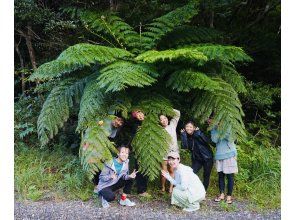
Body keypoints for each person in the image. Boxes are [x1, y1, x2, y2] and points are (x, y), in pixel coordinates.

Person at [208, 118, 238, 204]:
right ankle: (221, 195)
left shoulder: (229, 124)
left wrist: (220, 127)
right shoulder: (213, 128)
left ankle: (229, 196)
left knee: (230, 176)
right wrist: (214, 127)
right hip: (219, 155)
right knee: (221, 176)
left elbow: (230, 137)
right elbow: (214, 140)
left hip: (229, 154)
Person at [93, 116, 125, 192]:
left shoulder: (115, 128)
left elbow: (110, 137)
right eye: (116, 122)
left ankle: (104, 184)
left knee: (104, 166)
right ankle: (96, 185)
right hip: (95, 144)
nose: (116, 124)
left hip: (104, 146)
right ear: (115, 119)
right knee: (96, 164)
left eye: (118, 125)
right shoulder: (106, 120)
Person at [123, 110, 150, 197]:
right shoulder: (133, 123)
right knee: (130, 169)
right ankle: (126, 190)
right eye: (137, 114)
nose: (140, 116)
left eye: (141, 113)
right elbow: (128, 123)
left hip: (145, 149)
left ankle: (141, 190)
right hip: (133, 149)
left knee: (142, 169)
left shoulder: (149, 123)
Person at [180, 121, 213, 191]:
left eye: (190, 127)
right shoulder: (186, 136)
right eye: (187, 127)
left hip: (207, 157)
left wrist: (199, 133)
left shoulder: (198, 133)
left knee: (206, 175)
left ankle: (204, 191)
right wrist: (183, 136)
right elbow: (185, 147)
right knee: (191, 173)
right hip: (197, 159)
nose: (189, 128)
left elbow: (208, 141)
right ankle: (190, 189)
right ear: (185, 128)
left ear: (194, 128)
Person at [159, 109, 180, 193]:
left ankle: (171, 187)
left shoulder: (172, 125)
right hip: (163, 153)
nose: (164, 121)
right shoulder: (158, 130)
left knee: (171, 170)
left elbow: (177, 113)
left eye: (164, 118)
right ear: (159, 122)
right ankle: (163, 187)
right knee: (164, 171)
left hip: (173, 153)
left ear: (167, 118)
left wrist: (166, 108)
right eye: (161, 120)